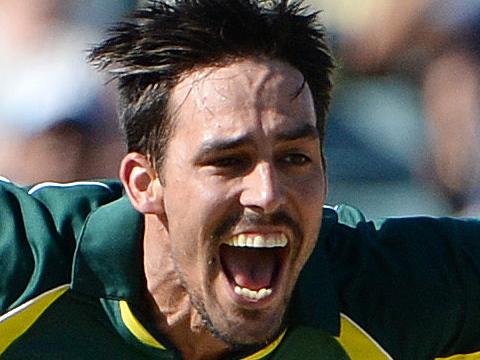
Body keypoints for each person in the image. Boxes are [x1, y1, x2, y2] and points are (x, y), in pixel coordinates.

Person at [1, 1, 480, 359]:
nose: (268, 193)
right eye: (228, 161)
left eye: (295, 158)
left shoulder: (388, 293)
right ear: (144, 183)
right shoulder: (22, 266)